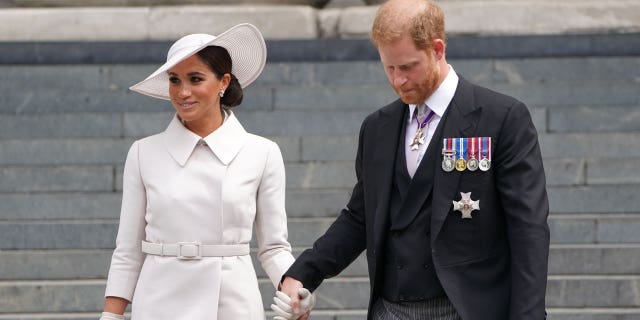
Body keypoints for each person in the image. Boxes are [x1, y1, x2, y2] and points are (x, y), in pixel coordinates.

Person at [275, 0, 550, 319]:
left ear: (437, 49)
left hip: (467, 308)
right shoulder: (377, 128)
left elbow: (528, 227)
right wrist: (302, 273)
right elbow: (359, 217)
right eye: (388, 68)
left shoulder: (501, 118)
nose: (397, 80)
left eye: (407, 67)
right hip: (390, 309)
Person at [100, 23, 313, 320]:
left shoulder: (262, 153)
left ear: (223, 81)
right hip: (159, 301)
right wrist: (112, 315)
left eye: (195, 79)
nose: (183, 92)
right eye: (174, 80)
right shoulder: (143, 153)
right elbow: (128, 250)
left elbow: (274, 247)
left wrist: (295, 290)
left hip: (232, 303)